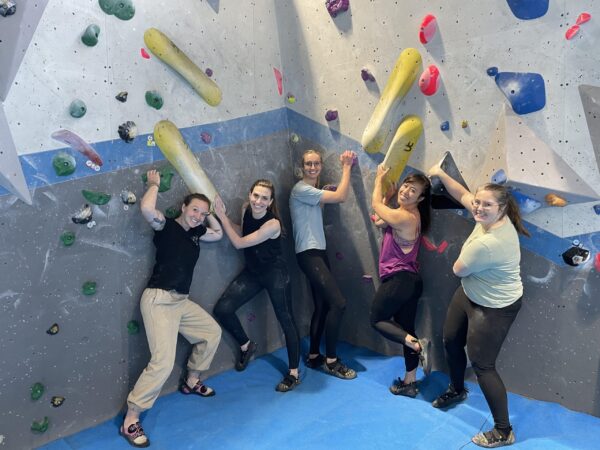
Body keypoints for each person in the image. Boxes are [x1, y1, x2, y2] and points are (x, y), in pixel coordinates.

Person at [427, 163, 530, 448]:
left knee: (483, 365)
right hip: (470, 294)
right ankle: (457, 389)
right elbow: (463, 195)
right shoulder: (486, 217)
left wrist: (466, 263)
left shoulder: (489, 242)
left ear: (501, 209)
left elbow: (458, 269)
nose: (479, 208)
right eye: (479, 202)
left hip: (495, 306)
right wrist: (441, 173)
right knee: (450, 339)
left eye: (487, 205)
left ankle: (503, 430)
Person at [121, 170, 223, 448]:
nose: (198, 217)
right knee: (162, 362)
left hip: (180, 301)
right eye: (194, 210)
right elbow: (145, 208)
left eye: (202, 213)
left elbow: (218, 233)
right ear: (183, 207)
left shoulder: (197, 234)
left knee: (211, 332)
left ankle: (191, 380)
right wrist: (153, 183)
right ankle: (131, 419)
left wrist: (210, 211)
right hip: (158, 300)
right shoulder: (165, 226)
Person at [212, 179, 301, 392]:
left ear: (270, 202)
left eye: (264, 198)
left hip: (275, 274)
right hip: (253, 273)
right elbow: (242, 232)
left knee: (286, 320)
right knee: (222, 309)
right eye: (255, 196)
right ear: (249, 194)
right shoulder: (246, 209)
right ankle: (246, 345)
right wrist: (220, 218)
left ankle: (293, 373)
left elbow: (239, 243)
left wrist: (222, 216)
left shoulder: (273, 224)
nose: (258, 201)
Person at [289, 148, 358, 379]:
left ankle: (313, 356)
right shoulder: (300, 189)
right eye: (308, 164)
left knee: (323, 305)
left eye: (316, 163)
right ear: (302, 167)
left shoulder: (311, 192)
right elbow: (340, 197)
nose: (312, 167)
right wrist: (347, 166)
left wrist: (323, 193)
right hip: (309, 254)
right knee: (339, 303)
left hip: (317, 252)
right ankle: (331, 360)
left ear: (320, 166)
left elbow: (320, 204)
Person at [370, 165, 432, 397]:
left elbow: (376, 207)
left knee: (376, 319)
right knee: (407, 330)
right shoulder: (405, 215)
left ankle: (418, 345)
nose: (406, 191)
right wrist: (388, 197)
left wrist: (378, 181)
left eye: (413, 190)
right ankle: (410, 382)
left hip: (400, 280)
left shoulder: (406, 217)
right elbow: (379, 220)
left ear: (421, 198)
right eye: (406, 185)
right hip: (410, 281)